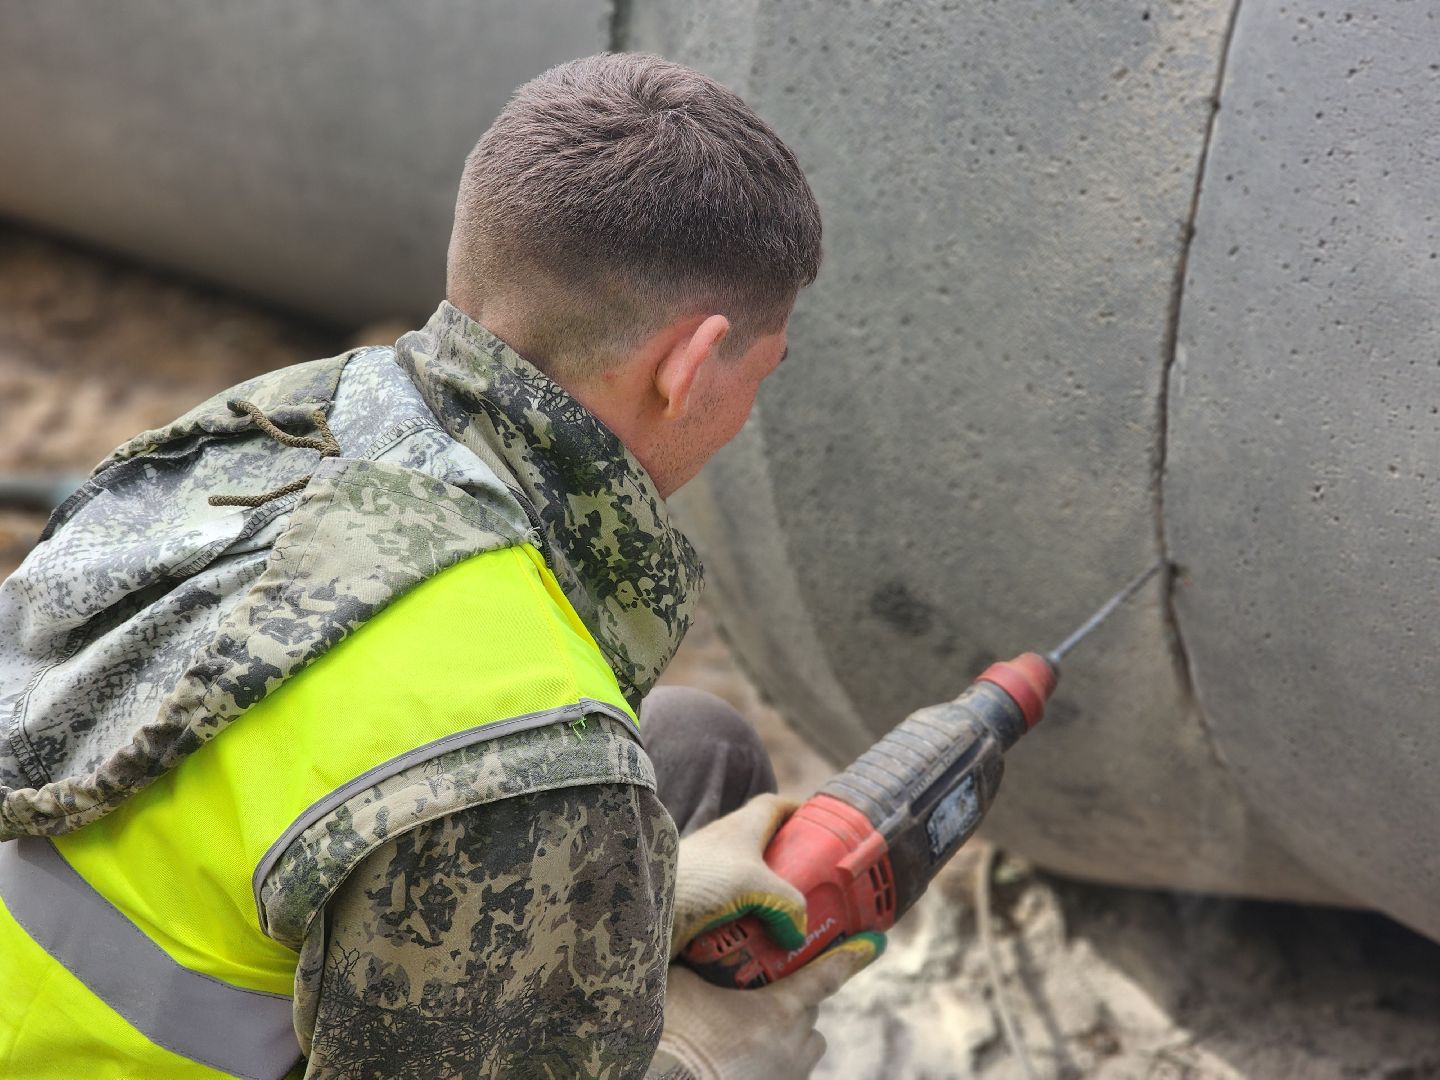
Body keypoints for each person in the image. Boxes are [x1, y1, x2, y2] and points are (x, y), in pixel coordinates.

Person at [0, 53, 881, 1079]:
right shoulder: (523, 740)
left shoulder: (280, 422)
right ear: (687, 367)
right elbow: (488, 771)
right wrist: (691, 1061)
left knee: (691, 748)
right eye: (756, 377)